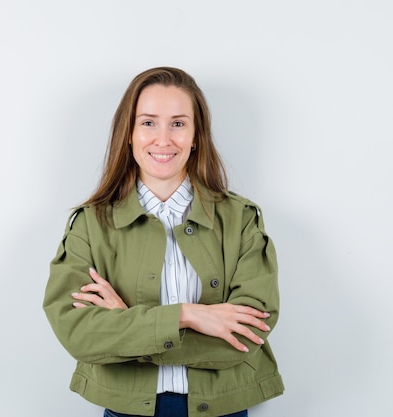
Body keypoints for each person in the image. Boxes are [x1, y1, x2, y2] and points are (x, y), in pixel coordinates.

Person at [43, 67, 283, 417]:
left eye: (178, 123)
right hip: (128, 410)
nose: (163, 139)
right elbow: (79, 333)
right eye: (149, 122)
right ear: (129, 133)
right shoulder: (91, 224)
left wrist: (128, 326)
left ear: (196, 135)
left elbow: (245, 336)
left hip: (223, 409)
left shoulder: (241, 219)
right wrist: (189, 316)